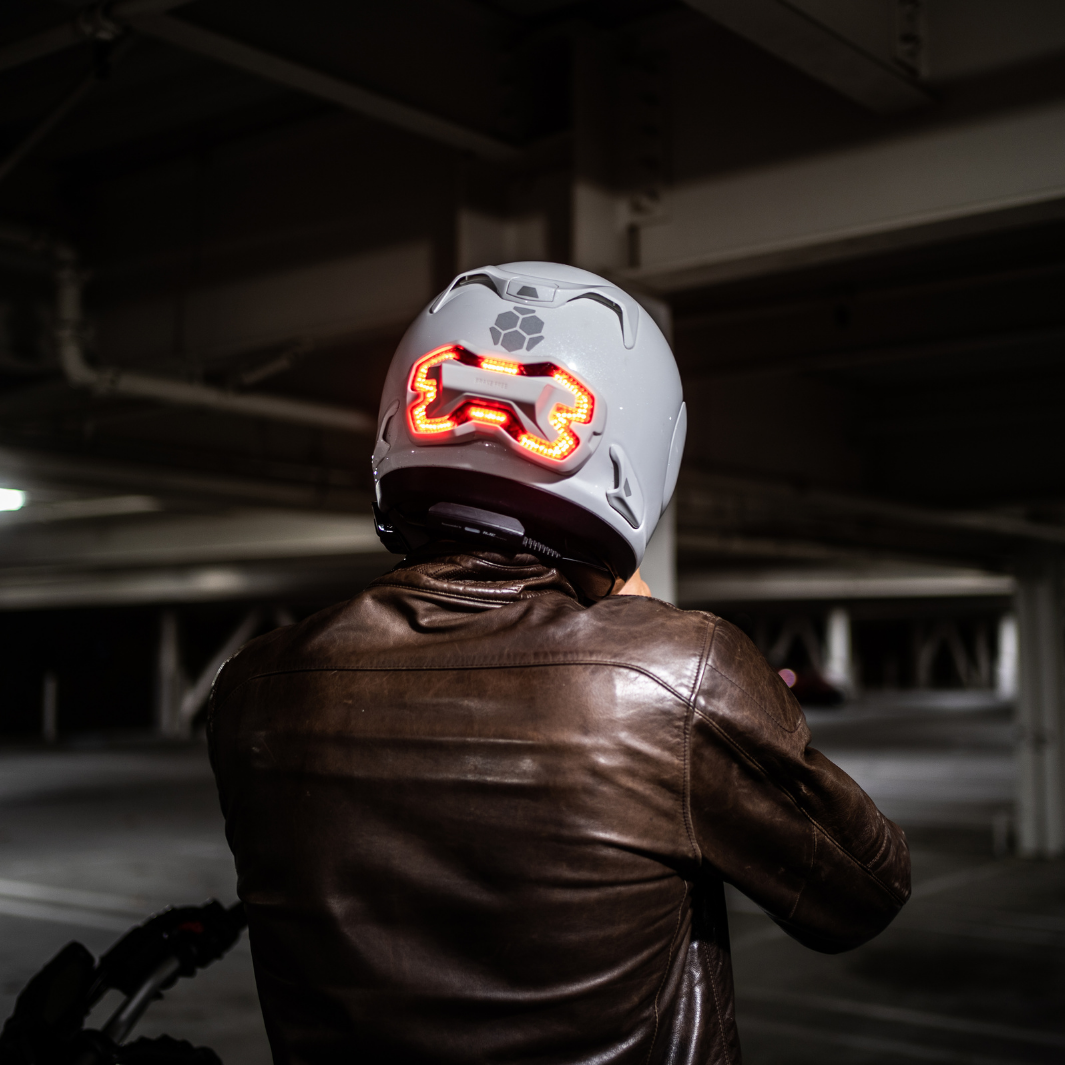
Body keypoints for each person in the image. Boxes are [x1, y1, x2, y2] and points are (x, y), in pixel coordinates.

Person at [207, 262, 910, 1064]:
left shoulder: (254, 689)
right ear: (639, 448)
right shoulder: (671, 676)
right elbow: (863, 893)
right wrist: (643, 618)